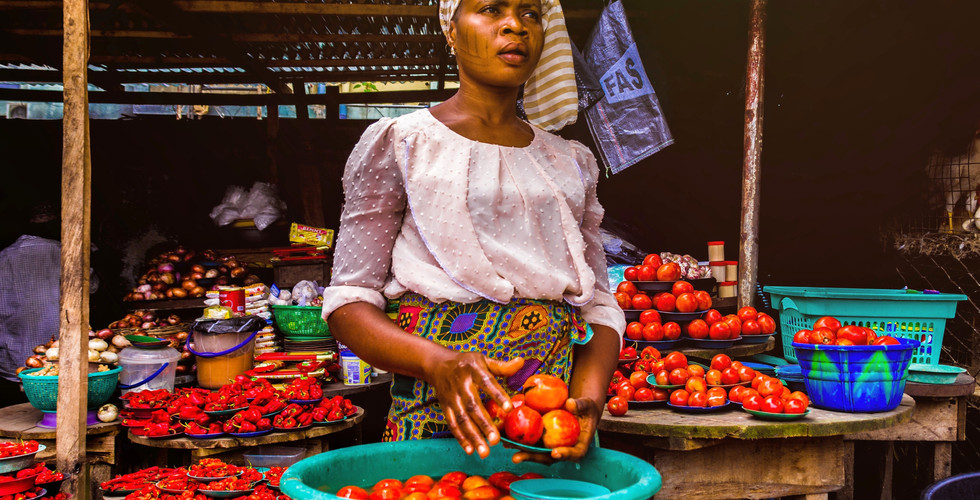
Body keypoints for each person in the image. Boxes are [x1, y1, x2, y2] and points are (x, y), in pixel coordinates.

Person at [321, 0, 625, 463]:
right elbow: (348, 303)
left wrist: (584, 403)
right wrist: (436, 362)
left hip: (547, 426)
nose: (514, 26)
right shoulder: (404, 143)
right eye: (490, 9)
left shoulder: (569, 161)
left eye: (529, 14)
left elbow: (600, 305)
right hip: (435, 416)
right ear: (451, 30)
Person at [0, 203, 62, 407]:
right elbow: (92, 286)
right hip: (57, 357)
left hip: (14, 356)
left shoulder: (4, 257)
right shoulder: (63, 251)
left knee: (19, 410)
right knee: (55, 403)